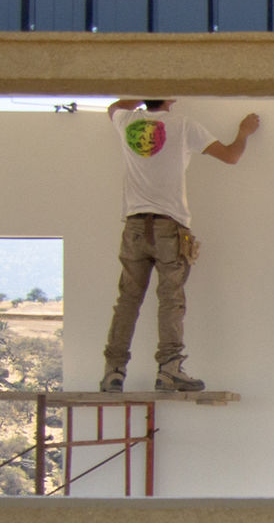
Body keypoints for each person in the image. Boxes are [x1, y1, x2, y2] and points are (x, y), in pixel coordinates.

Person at [99, 99, 260, 392]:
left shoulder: (126, 122)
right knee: (171, 299)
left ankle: (113, 372)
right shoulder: (183, 125)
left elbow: (114, 106)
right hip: (169, 227)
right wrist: (244, 132)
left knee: (127, 301)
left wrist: (143, 91)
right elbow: (231, 156)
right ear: (170, 96)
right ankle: (169, 369)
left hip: (134, 225)